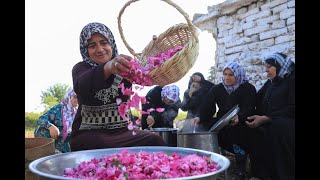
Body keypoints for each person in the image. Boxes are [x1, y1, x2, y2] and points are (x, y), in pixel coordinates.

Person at [70, 22, 165, 151]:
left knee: (155, 141)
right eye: (92, 46)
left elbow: (147, 76)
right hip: (90, 134)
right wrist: (109, 67)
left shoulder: (123, 66)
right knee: (101, 145)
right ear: (85, 50)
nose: (100, 49)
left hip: (123, 133)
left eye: (104, 43)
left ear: (111, 44)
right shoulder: (81, 69)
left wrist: (155, 56)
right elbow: (81, 85)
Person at [191, 62, 261, 179]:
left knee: (239, 132)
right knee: (205, 129)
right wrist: (199, 117)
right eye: (225, 74)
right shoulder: (218, 89)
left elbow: (249, 107)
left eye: (231, 75)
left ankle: (241, 165)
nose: (227, 77)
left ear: (238, 76)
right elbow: (208, 106)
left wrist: (240, 117)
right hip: (222, 121)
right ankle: (207, 163)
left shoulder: (248, 88)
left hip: (241, 121)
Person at [247, 52, 295, 180]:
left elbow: (292, 108)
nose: (266, 70)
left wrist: (267, 118)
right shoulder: (271, 83)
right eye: (266, 66)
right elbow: (257, 99)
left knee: (277, 128)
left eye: (269, 67)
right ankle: (262, 174)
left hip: (287, 123)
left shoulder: (292, 80)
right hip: (271, 120)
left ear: (279, 66)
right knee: (252, 131)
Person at [34, 89, 78, 153]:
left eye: (79, 97)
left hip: (67, 143)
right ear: (68, 97)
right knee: (41, 128)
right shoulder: (59, 108)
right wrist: (51, 126)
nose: (78, 99)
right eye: (75, 97)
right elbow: (41, 119)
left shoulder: (77, 112)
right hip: (54, 140)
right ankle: (49, 151)